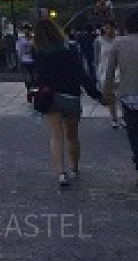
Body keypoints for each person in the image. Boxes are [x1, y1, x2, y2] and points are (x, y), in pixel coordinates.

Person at [32, 18, 103, 189]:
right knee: (72, 135)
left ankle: (61, 173)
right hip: (71, 96)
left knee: (56, 136)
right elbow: (81, 74)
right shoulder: (70, 49)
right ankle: (75, 168)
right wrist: (97, 95)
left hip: (50, 97)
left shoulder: (38, 52)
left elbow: (38, 77)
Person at [102, 9, 138, 189]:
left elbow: (109, 72)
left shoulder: (118, 43)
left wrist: (107, 91)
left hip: (129, 94)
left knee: (133, 131)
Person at [95, 21, 122, 129]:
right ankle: (114, 118)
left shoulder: (119, 40)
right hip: (105, 70)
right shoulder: (99, 41)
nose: (108, 30)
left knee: (121, 95)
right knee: (110, 96)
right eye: (106, 27)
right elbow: (96, 58)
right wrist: (97, 73)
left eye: (110, 27)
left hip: (119, 69)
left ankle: (124, 117)